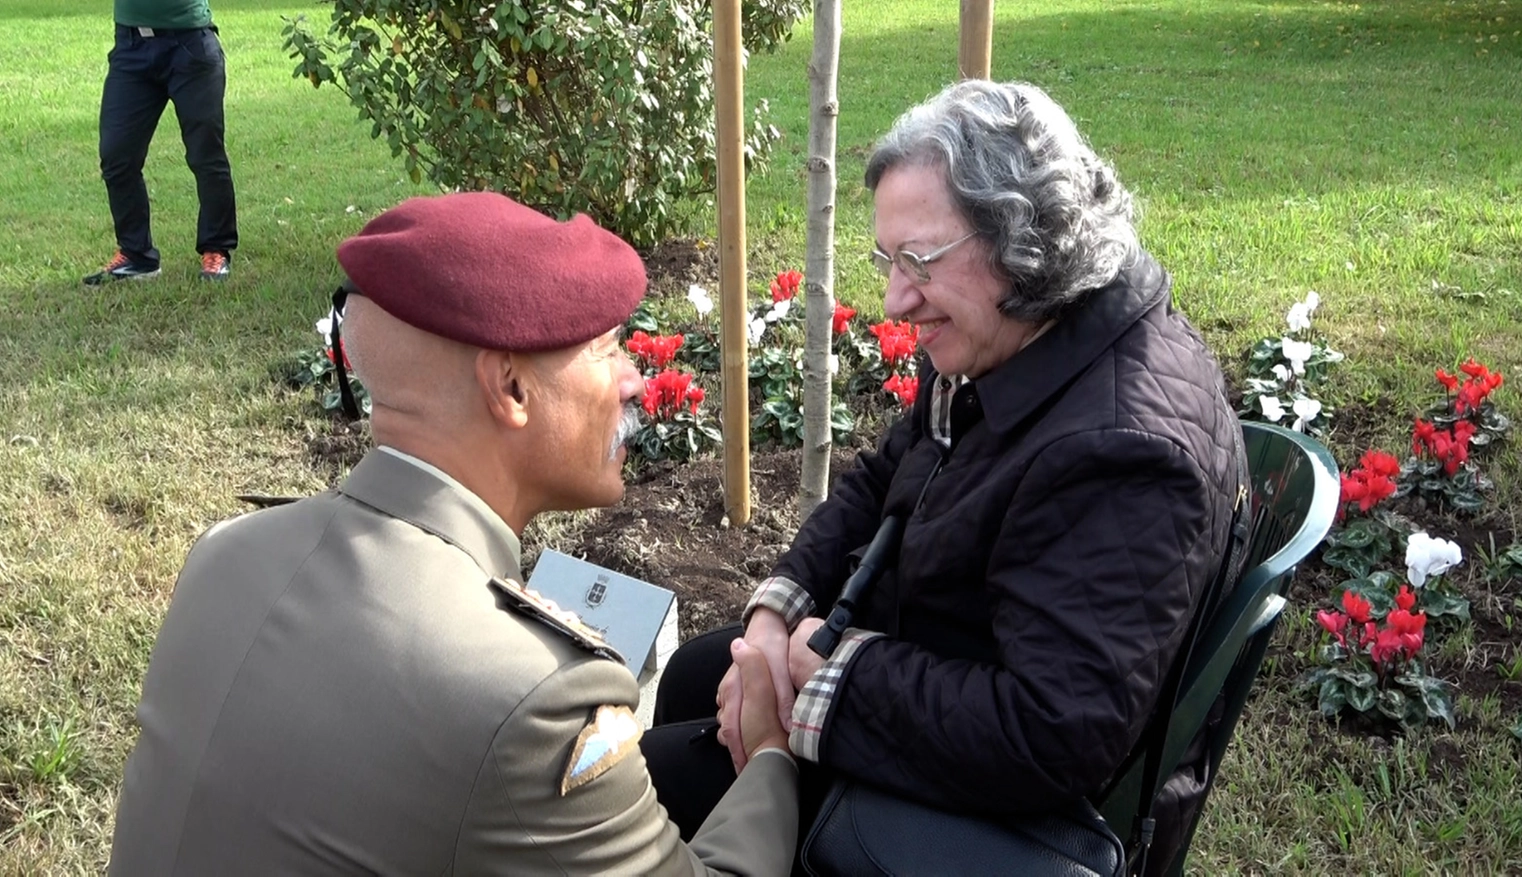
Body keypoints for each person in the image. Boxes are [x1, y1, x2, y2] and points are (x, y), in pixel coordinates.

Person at [644, 80, 1250, 876]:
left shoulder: (1121, 451)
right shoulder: (1028, 334)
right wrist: (775, 612)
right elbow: (886, 476)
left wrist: (823, 676)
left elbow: (1050, 735)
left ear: (1020, 240)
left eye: (919, 261)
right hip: (939, 663)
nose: (895, 298)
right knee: (702, 671)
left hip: (997, 812)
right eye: (886, 260)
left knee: (657, 777)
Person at [108, 192, 799, 875]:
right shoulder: (536, 698)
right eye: (608, 349)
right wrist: (770, 752)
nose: (634, 382)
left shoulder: (226, 553)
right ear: (510, 390)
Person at [85, 0, 237, 285]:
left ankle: (216, 250)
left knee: (206, 155)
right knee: (117, 155)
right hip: (131, 46)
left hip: (190, 45)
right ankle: (137, 255)